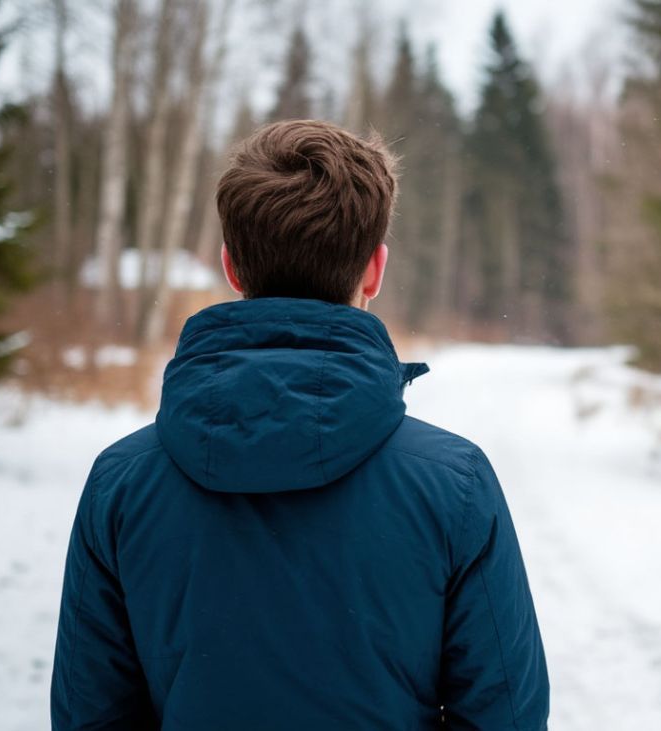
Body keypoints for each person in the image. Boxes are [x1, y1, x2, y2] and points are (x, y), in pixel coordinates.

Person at [50, 120, 549, 730]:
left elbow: (89, 716)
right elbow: (506, 717)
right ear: (374, 269)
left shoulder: (121, 484)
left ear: (232, 267)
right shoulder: (455, 484)